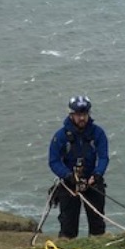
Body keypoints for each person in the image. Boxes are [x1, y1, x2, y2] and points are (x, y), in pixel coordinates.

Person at [48, 95, 110, 239]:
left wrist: (98, 174)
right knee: (68, 225)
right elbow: (54, 161)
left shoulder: (98, 133)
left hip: (92, 181)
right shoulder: (60, 136)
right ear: (71, 115)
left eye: (85, 114)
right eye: (78, 115)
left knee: (97, 224)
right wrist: (68, 175)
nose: (82, 118)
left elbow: (103, 157)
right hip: (69, 183)